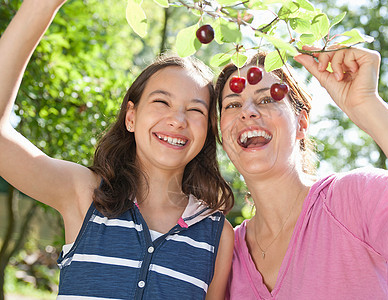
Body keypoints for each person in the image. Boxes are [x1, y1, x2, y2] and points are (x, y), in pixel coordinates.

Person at [0, 0, 234, 299]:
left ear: (208, 133)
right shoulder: (83, 193)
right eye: (161, 102)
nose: (177, 120)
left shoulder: (217, 234)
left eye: (195, 110)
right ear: (131, 117)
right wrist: (41, 6)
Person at [215, 46, 388, 299]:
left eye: (266, 99)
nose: (247, 111)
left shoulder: (356, 199)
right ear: (220, 133)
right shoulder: (224, 254)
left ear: (302, 123)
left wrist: (368, 106)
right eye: (232, 104)